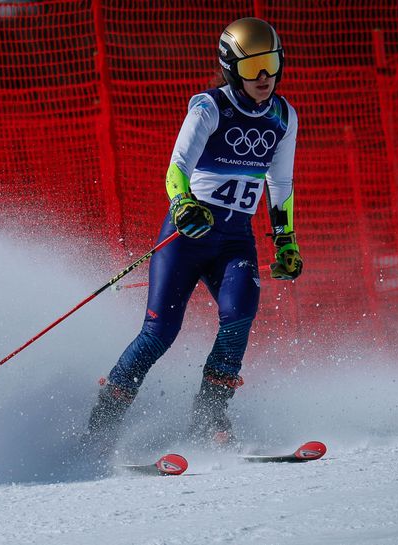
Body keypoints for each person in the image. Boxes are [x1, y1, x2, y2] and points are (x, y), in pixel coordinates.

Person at [81, 17, 302, 455]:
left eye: (271, 63)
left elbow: (281, 182)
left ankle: (209, 416)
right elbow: (177, 168)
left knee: (239, 315)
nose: (264, 76)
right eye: (253, 64)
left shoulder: (283, 116)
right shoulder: (209, 107)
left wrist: (286, 240)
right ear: (231, 65)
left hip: (236, 238)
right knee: (159, 334)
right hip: (189, 234)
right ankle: (103, 422)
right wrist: (183, 205)